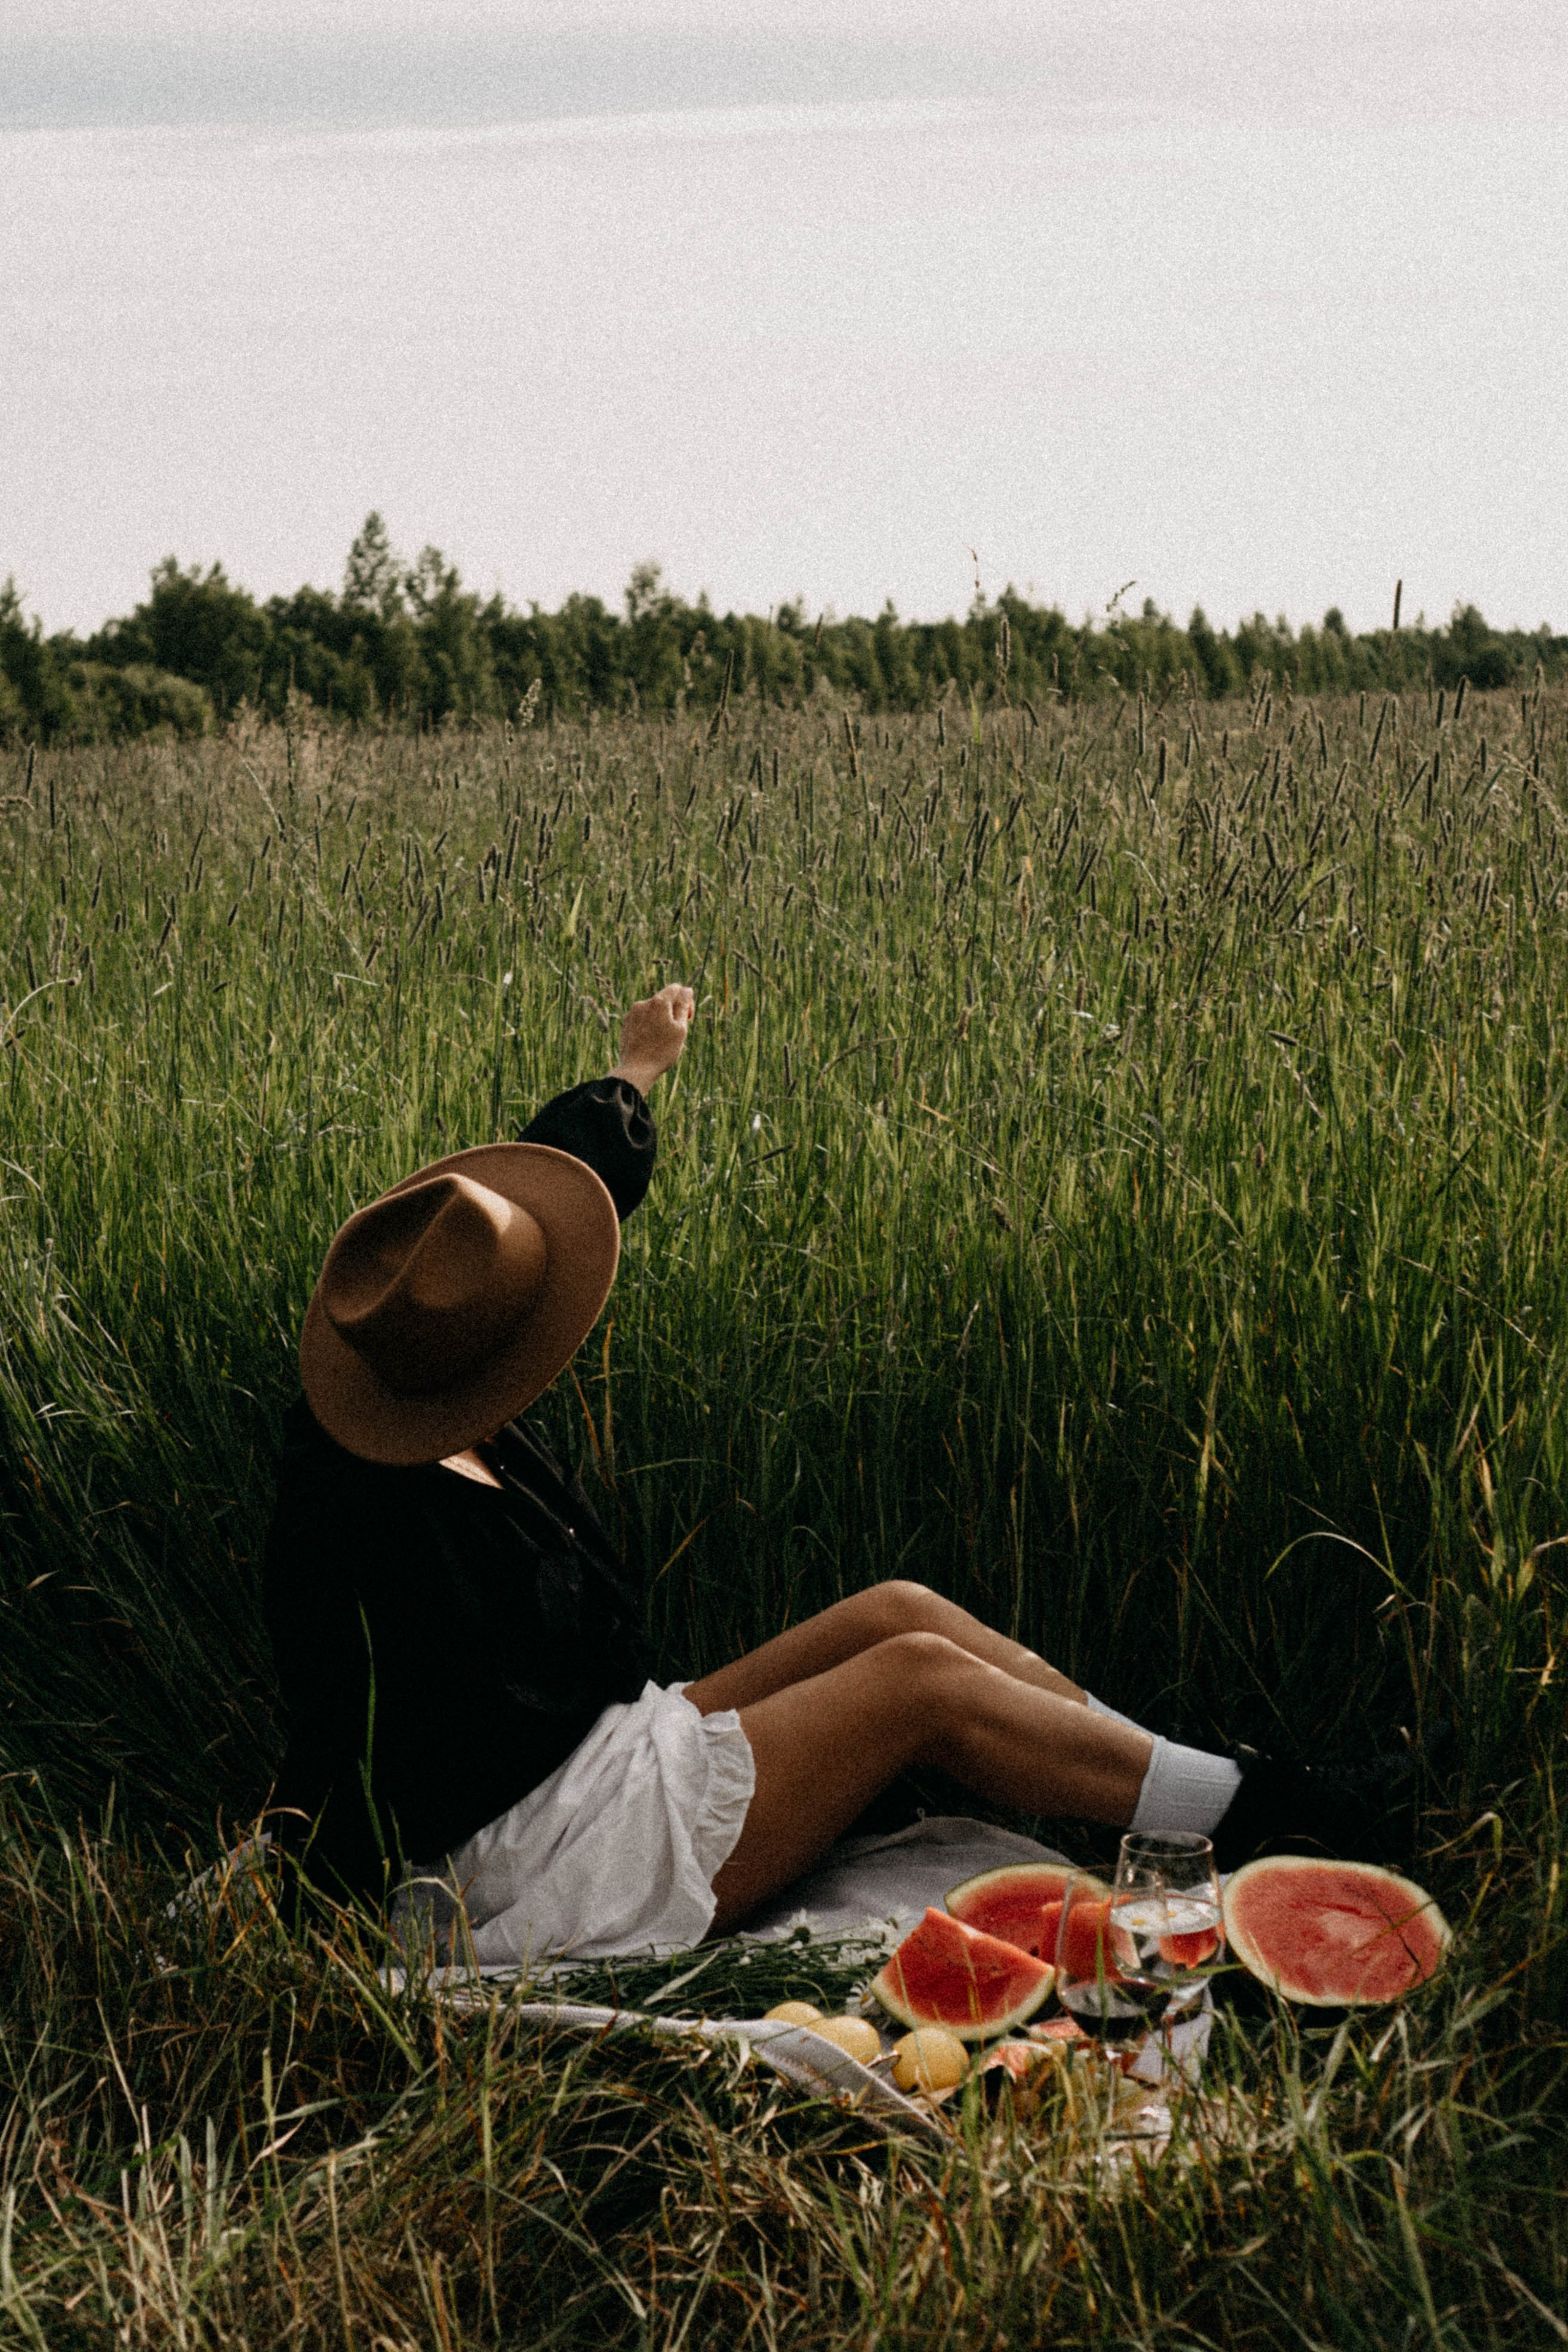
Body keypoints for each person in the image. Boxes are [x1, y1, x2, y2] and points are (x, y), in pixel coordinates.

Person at [263, 982, 1421, 1961]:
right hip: (538, 1860)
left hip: (617, 1747)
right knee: (917, 1679)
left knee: (899, 1610)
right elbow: (338, 1752)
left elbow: (549, 1194)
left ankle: (1167, 1785)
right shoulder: (350, 1514)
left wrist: (636, 1068)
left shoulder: (429, 1336)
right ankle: (1264, 1811)